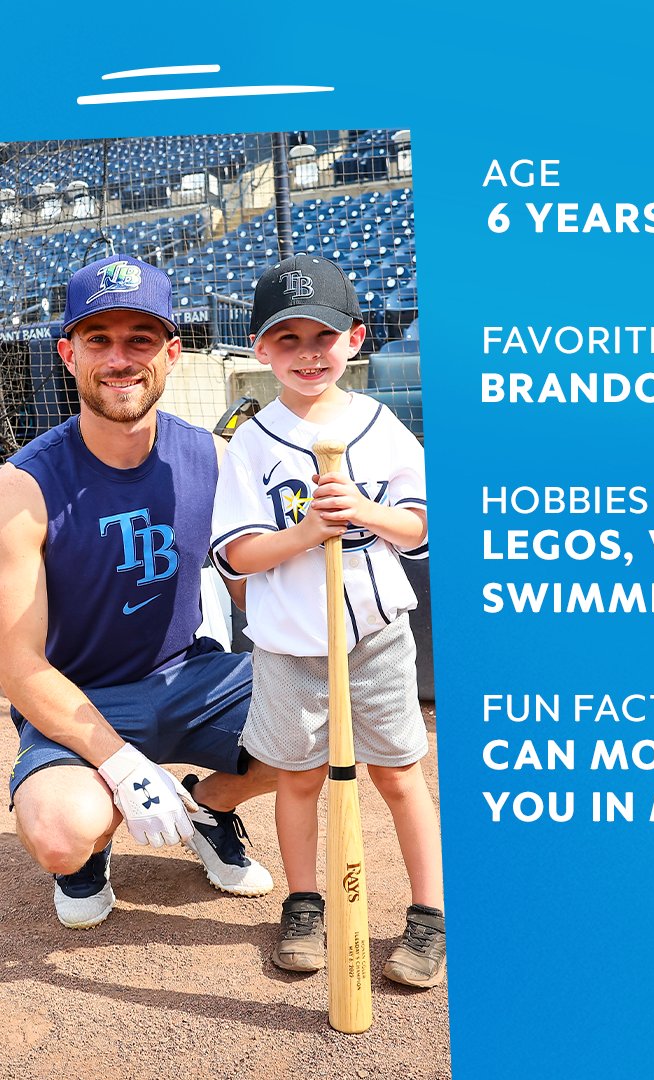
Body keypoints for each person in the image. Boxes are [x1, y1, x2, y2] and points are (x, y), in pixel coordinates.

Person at [0, 254, 276, 931]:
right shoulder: (22, 486)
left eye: (141, 339)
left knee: (328, 717)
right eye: (99, 339)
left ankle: (209, 807)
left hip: (190, 676)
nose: (120, 359)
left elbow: (254, 597)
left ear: (171, 354)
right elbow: (15, 662)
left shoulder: (212, 459)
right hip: (79, 694)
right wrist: (122, 765)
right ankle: (90, 852)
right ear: (68, 354)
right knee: (61, 830)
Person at [210, 253, 445, 987]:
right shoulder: (251, 442)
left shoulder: (382, 425)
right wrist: (308, 531)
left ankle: (429, 916)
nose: (308, 353)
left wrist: (366, 512)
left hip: (376, 635)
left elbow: (421, 528)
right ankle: (304, 904)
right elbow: (238, 555)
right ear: (260, 349)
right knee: (299, 778)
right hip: (289, 645)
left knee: (400, 775)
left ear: (356, 339)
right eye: (288, 338)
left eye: (324, 336)